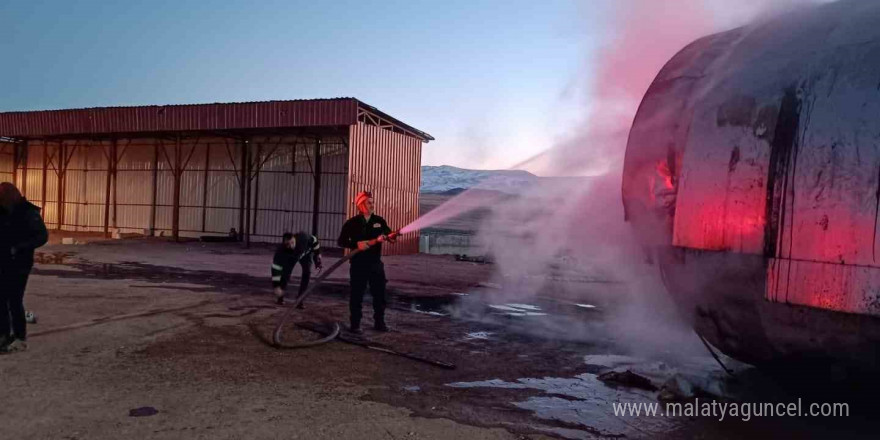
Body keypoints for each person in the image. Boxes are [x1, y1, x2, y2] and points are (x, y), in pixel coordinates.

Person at [337, 191, 395, 334]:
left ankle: (379, 323)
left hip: (375, 264)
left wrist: (392, 236)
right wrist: (356, 244)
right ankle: (355, 325)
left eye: (373, 202)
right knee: (356, 295)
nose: (372, 205)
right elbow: (341, 241)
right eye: (369, 202)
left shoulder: (379, 221)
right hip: (358, 264)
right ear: (360, 204)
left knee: (380, 294)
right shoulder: (351, 223)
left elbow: (389, 234)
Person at [0, 182, 49, 354]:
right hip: (4, 261)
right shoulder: (3, 211)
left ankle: (20, 338)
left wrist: (21, 247)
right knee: (1, 300)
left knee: (14, 300)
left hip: (20, 264)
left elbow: (42, 236)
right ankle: (4, 335)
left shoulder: (27, 212)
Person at [271, 231, 322, 307]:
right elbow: (275, 268)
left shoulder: (303, 238)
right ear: (284, 244)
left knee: (307, 273)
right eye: (287, 244)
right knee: (285, 274)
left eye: (292, 243)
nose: (291, 246)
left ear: (294, 239)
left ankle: (300, 300)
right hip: (291, 258)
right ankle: (280, 298)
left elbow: (315, 240)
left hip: (306, 255)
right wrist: (276, 286)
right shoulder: (281, 252)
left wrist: (317, 256)